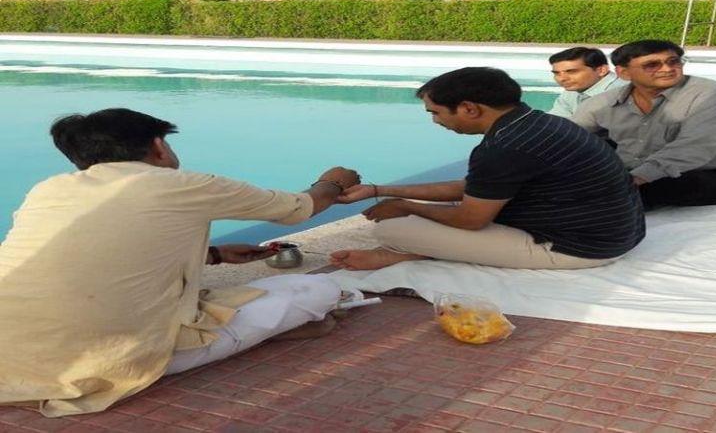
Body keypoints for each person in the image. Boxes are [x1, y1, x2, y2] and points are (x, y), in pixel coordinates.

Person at [0, 108, 359, 417]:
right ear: (158, 146)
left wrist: (214, 255)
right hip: (103, 362)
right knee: (317, 289)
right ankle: (270, 332)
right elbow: (300, 208)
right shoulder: (184, 184)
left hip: (11, 357)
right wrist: (332, 182)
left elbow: (94, 254)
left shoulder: (48, 189)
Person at [330, 67, 645, 271]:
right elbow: (476, 188)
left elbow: (470, 219)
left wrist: (406, 206)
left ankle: (412, 253)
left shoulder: (505, 146)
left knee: (392, 230)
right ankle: (424, 251)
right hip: (619, 233)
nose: (436, 121)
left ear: (469, 108)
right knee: (431, 216)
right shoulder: (539, 123)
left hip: (581, 248)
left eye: (436, 112)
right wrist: (378, 190)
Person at [572, 39, 716, 209]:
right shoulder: (602, 103)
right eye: (652, 65)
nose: (667, 69)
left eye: (673, 61)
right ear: (623, 72)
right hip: (634, 171)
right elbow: (568, 138)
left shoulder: (714, 94)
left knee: (625, 195)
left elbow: (695, 147)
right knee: (571, 185)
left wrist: (633, 180)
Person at [547, 46, 624, 118]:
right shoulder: (573, 89)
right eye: (557, 73)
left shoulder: (621, 94)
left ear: (601, 70)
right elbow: (555, 120)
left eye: (572, 72)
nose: (562, 79)